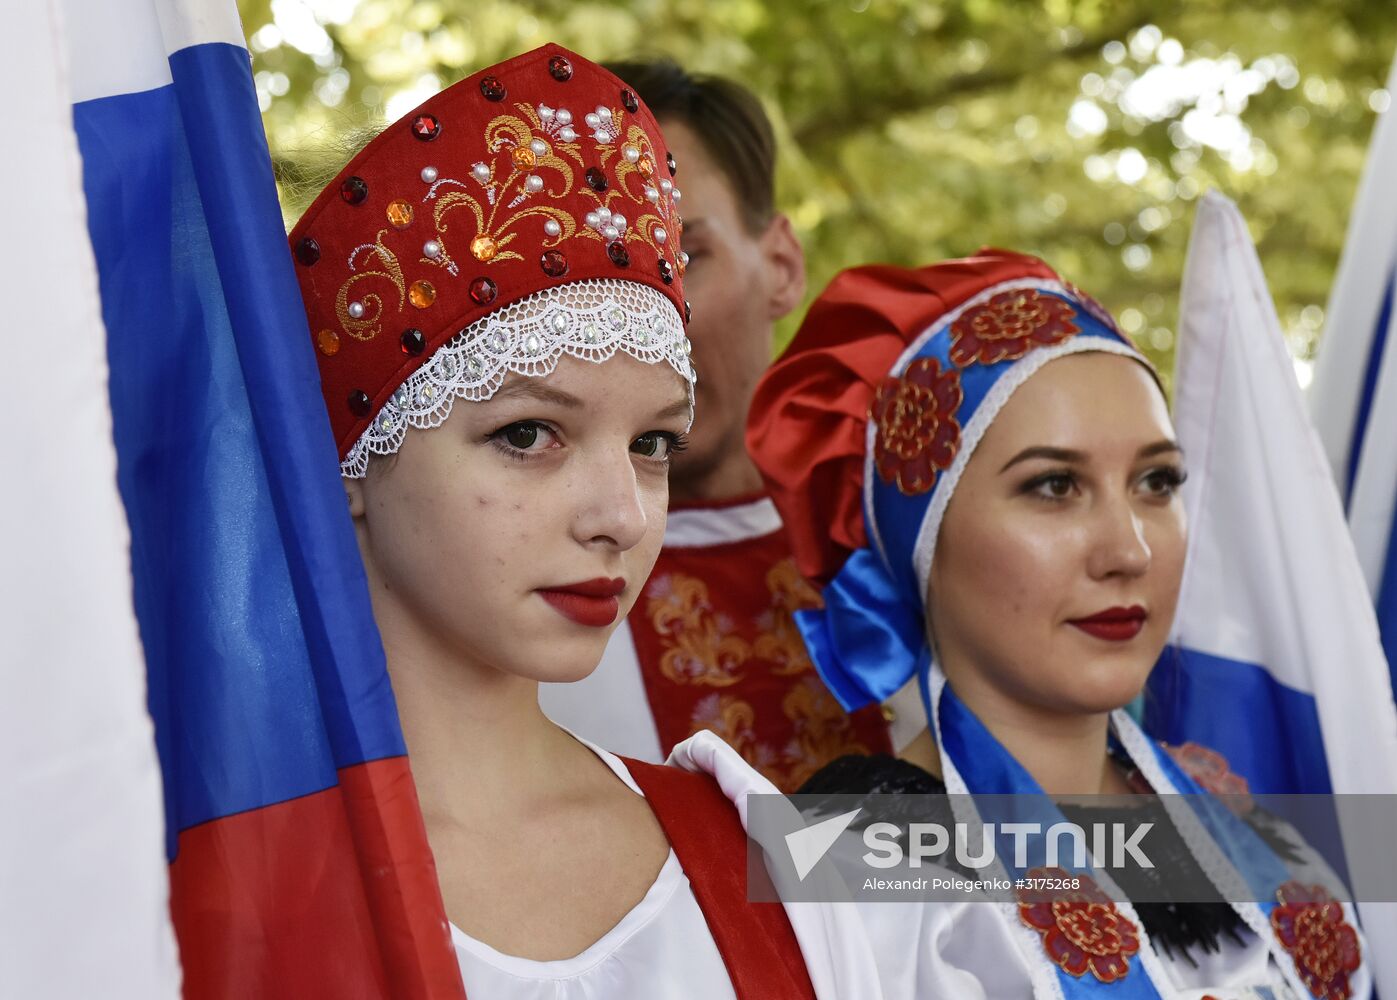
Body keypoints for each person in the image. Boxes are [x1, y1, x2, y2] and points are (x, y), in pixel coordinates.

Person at [289, 44, 882, 998]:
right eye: (527, 433)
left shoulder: (889, 577)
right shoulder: (222, 871)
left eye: (653, 442)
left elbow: (1106, 868)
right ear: (354, 446)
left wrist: (957, 844)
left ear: (782, 264)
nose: (621, 518)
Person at [746, 251, 1372, 998]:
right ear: (922, 543)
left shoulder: (1254, 839)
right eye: (1053, 485)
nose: (1128, 551)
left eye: (1157, 481)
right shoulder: (841, 876)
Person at [539, 58, 904, 791]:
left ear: (782, 266)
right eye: (591, 277)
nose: (643, 322)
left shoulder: (910, 544)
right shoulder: (508, 581)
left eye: (681, 259)